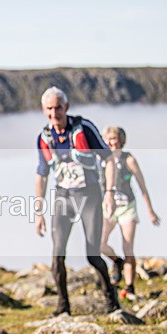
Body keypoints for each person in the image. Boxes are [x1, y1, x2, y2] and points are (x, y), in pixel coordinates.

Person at [33, 86, 120, 316]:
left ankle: (112, 302)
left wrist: (109, 192)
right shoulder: (44, 138)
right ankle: (63, 307)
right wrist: (38, 211)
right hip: (63, 196)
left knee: (93, 254)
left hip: (89, 195)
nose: (54, 113)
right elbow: (41, 174)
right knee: (57, 255)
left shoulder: (84, 128)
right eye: (49, 109)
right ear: (43, 110)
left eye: (58, 107)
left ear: (67, 107)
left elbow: (109, 159)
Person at [100, 126, 161, 300]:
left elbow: (143, 187)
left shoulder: (129, 160)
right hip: (108, 207)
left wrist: (150, 211)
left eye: (115, 138)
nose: (112, 142)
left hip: (127, 206)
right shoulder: (102, 159)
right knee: (99, 244)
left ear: (122, 140)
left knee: (127, 246)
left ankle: (129, 286)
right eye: (109, 139)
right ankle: (116, 262)